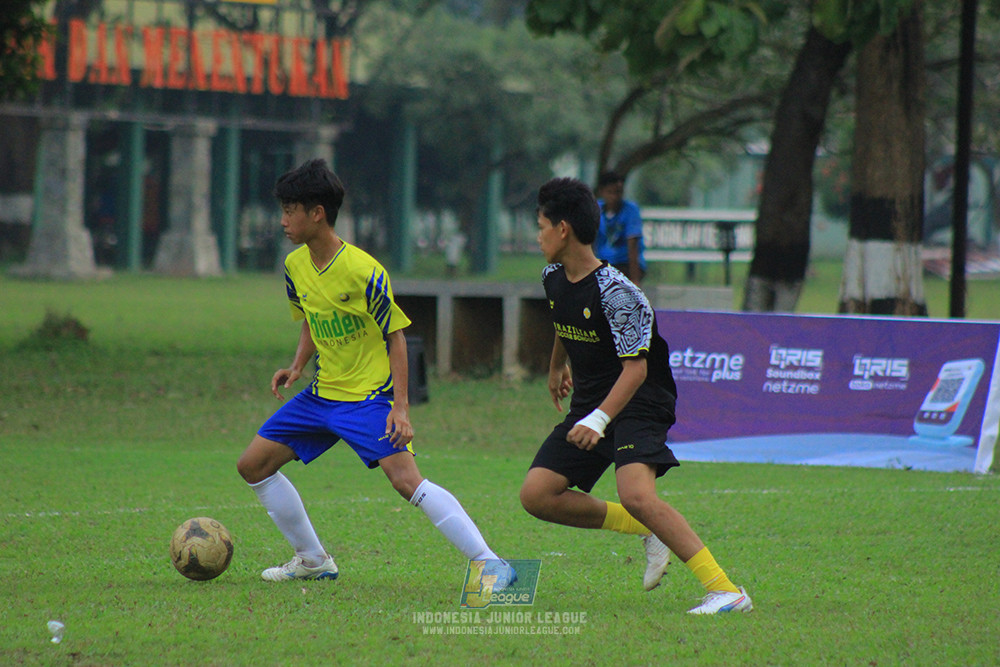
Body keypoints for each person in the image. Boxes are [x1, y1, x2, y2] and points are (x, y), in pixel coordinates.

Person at [236, 158, 515, 588]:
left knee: (406, 482)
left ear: (318, 213)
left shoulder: (363, 270)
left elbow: (396, 336)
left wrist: (400, 407)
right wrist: (297, 365)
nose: (283, 220)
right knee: (253, 464)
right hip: (320, 395)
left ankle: (490, 563)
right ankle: (312, 560)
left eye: (290, 210)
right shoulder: (295, 266)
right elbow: (312, 316)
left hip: (368, 397)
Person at [519, 177, 751, 615]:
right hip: (593, 402)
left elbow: (637, 368)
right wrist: (556, 367)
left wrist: (599, 420)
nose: (538, 235)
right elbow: (562, 319)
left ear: (563, 229)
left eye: (541, 225)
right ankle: (649, 531)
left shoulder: (619, 293)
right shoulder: (553, 276)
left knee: (637, 495)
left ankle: (726, 590)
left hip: (641, 398)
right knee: (537, 494)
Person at [594, 171, 646, 286]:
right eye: (610, 192)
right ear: (602, 192)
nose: (615, 197)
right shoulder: (595, 209)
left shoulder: (630, 210)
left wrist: (635, 280)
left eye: (618, 192)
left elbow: (632, 244)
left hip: (624, 264)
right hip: (602, 263)